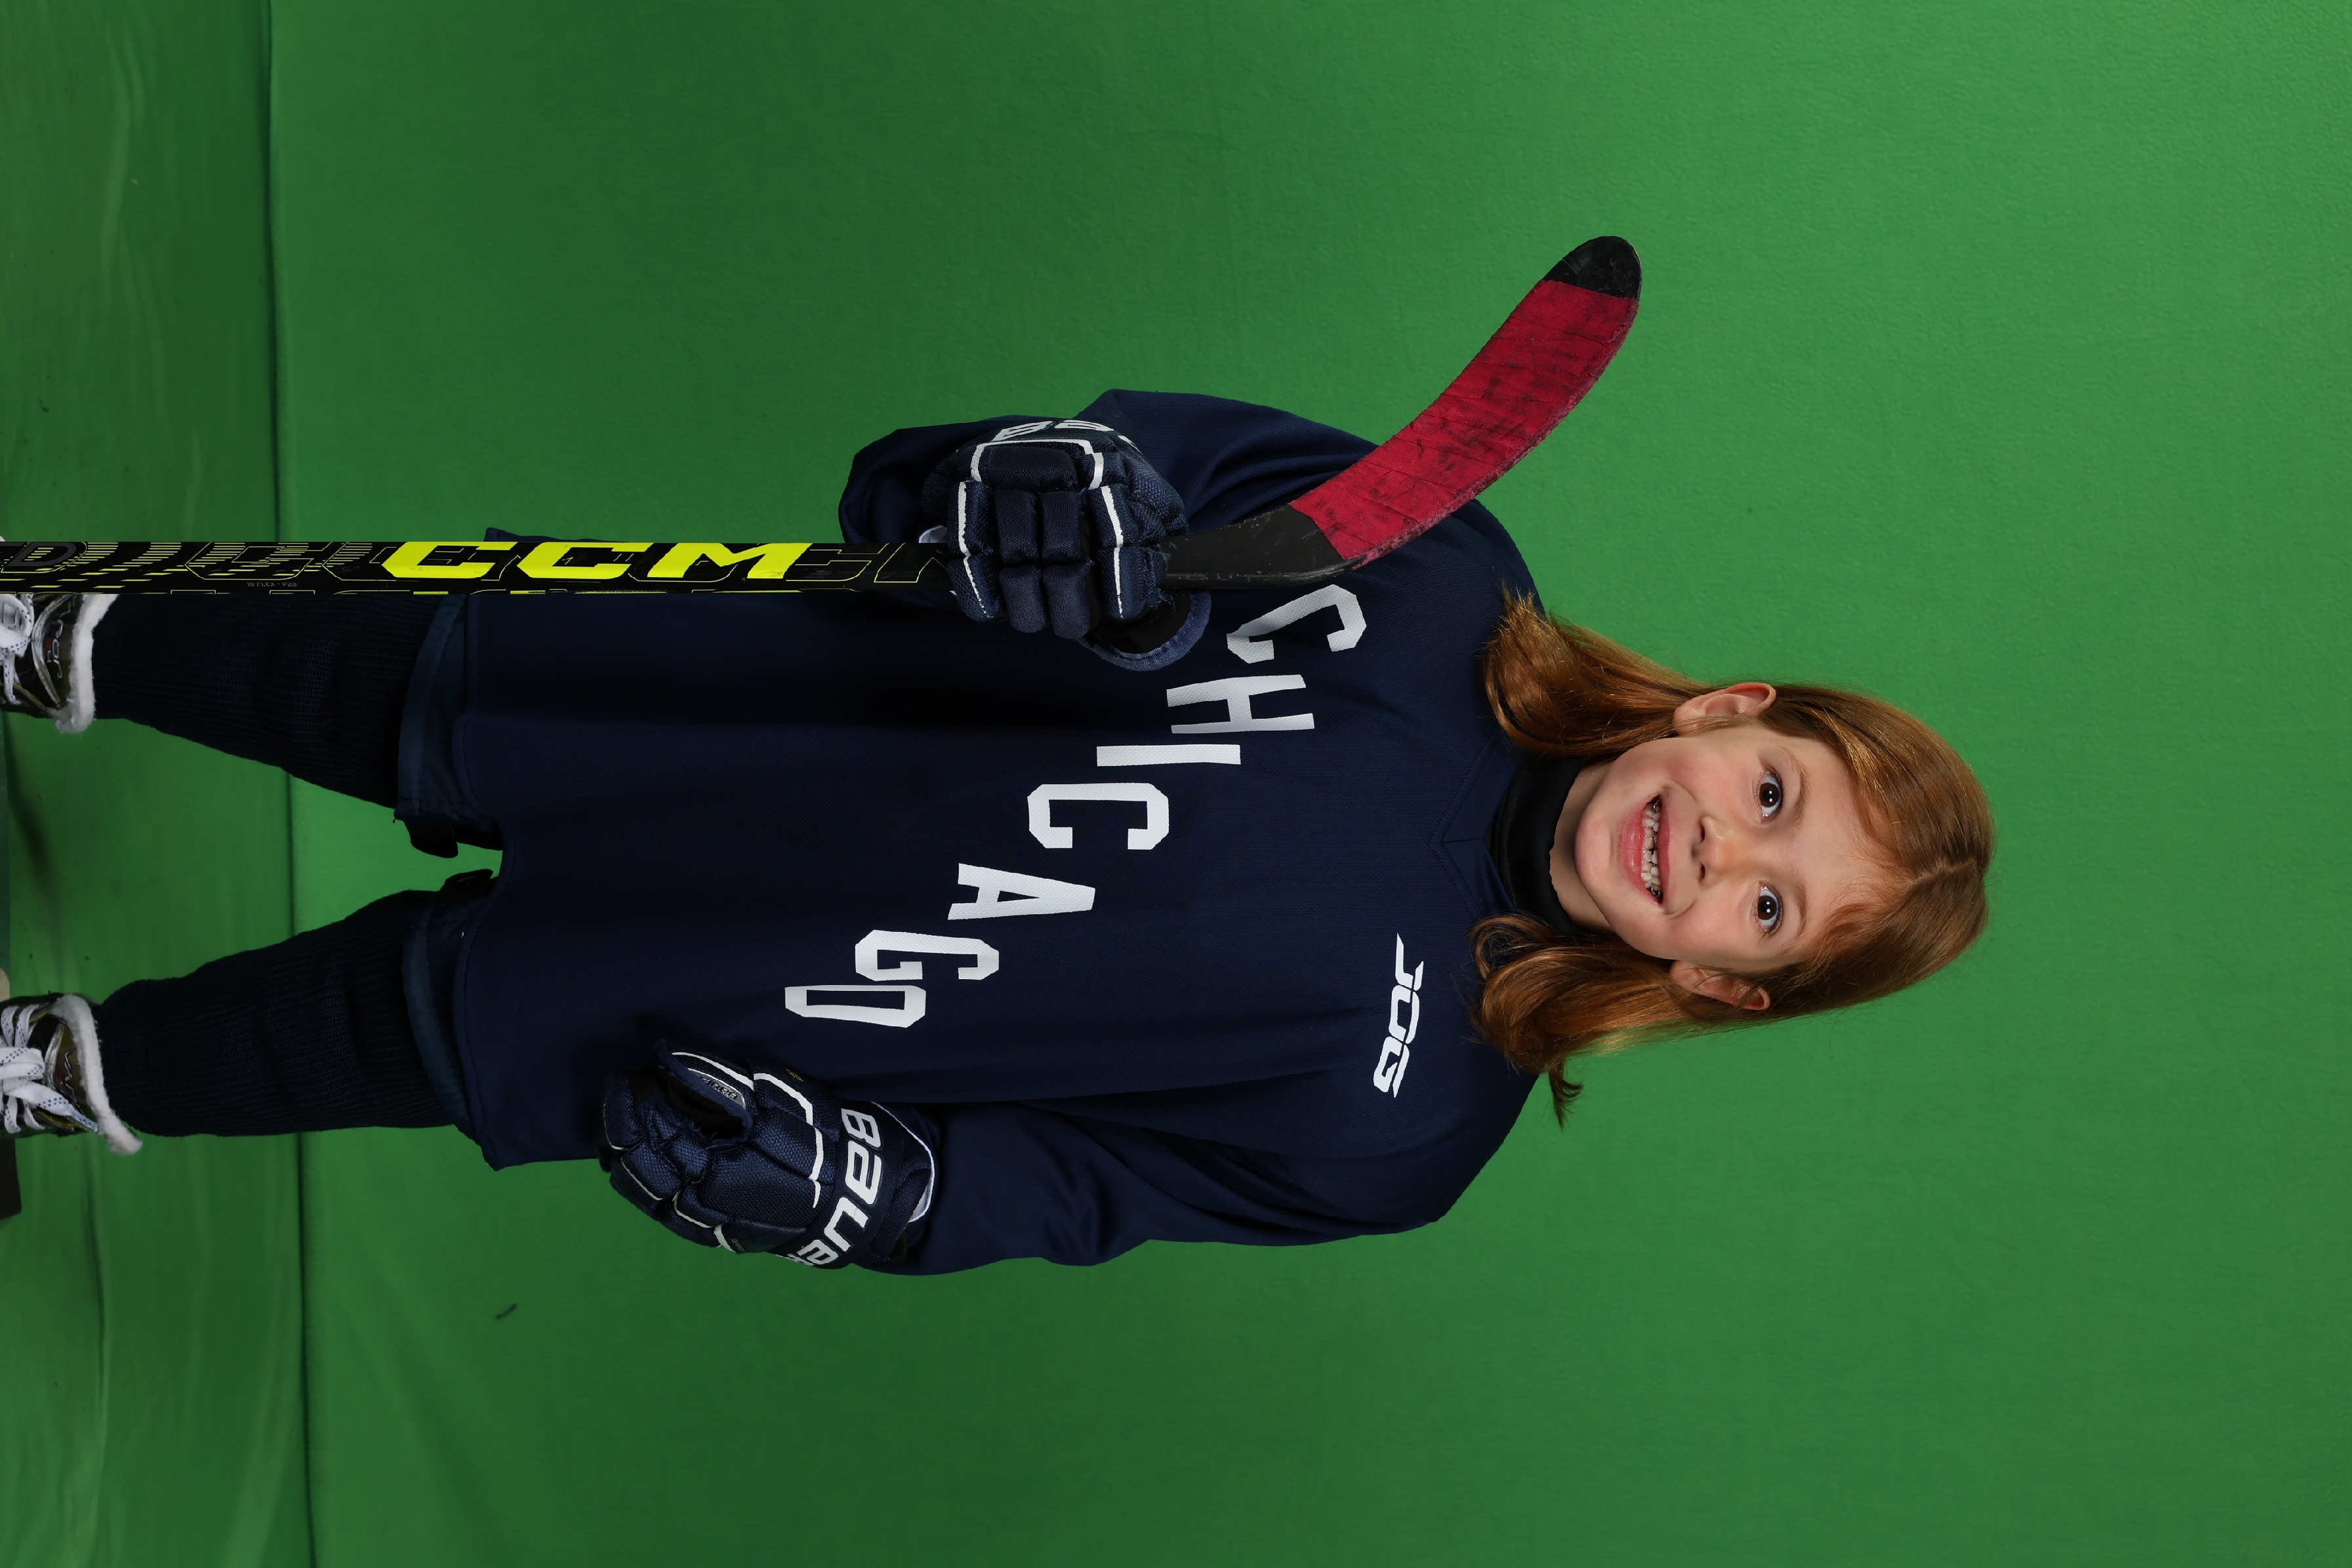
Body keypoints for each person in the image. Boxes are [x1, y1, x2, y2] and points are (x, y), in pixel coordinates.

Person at [0, 390, 1993, 1273]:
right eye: (1773, 798)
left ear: (1717, 986)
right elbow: (929, 481)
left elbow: (1069, 1189)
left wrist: (864, 1193)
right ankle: (48, 639)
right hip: (664, 712)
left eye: (1769, 912)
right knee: (313, 669)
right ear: (1729, 709)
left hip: (723, 997)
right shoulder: (1427, 567)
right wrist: (1047, 492)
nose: (1719, 857)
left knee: (326, 1043)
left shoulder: (1409, 1133)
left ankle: (34, 1072)